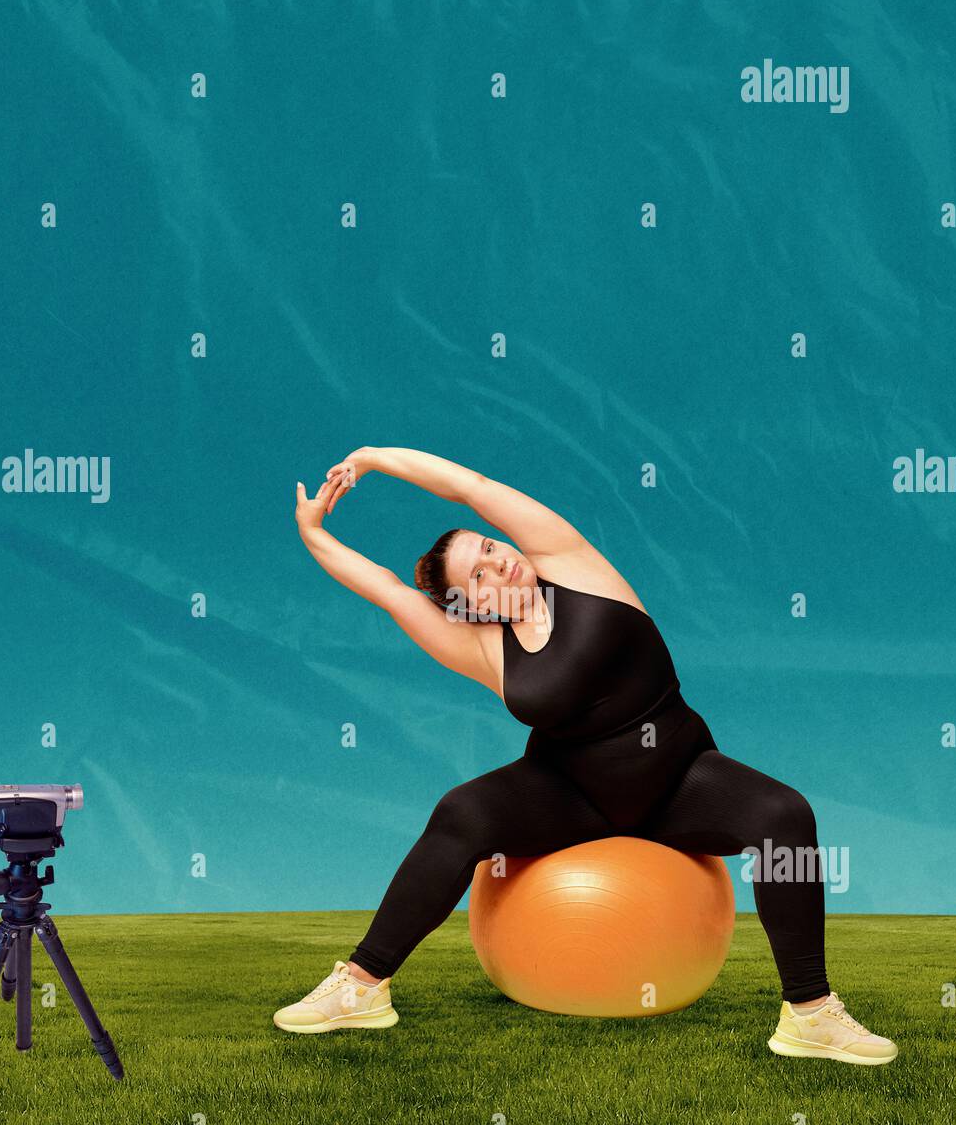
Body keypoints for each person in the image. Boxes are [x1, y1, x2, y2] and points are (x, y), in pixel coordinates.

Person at [276, 446, 897, 1065]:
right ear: (471, 605)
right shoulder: (484, 650)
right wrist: (313, 533)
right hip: (569, 793)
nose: (499, 566)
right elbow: (387, 591)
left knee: (784, 817)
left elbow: (473, 483)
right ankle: (361, 987)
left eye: (490, 549)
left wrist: (374, 458)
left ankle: (810, 1014)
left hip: (679, 777)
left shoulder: (572, 566)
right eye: (479, 576)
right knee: (461, 811)